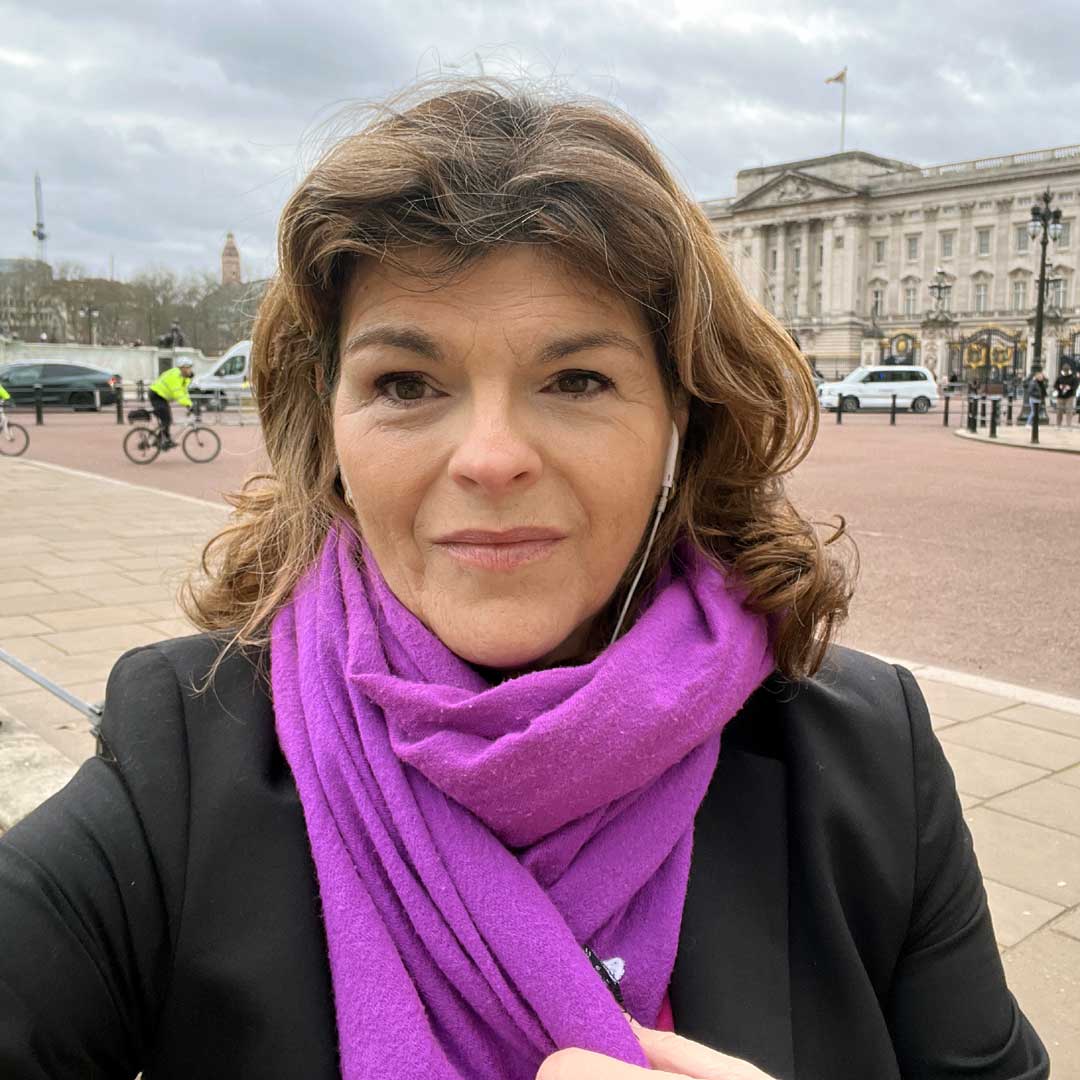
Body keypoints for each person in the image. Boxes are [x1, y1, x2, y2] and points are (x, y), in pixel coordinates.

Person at [0, 82, 1048, 1080]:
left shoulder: (869, 755)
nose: (492, 458)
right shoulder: (181, 750)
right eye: (406, 383)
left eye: (576, 380)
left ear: (679, 424)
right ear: (330, 432)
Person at [147, 359, 193, 449]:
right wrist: (188, 405)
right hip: (156, 395)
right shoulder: (175, 375)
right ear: (183, 368)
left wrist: (190, 404)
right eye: (188, 368)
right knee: (166, 419)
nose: (190, 370)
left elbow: (184, 392)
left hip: (162, 397)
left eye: (190, 368)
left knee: (167, 419)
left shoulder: (183, 378)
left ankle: (161, 440)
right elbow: (178, 394)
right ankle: (163, 441)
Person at [1053, 362, 1077, 428]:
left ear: (1069, 370)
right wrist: (1059, 387)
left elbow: (1075, 386)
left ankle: (1069, 425)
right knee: (1059, 411)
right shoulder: (1059, 377)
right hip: (1060, 396)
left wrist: (1070, 387)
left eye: (1067, 370)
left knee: (1069, 411)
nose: (1065, 372)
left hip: (1069, 396)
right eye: (1064, 370)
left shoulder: (1073, 377)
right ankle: (1058, 424)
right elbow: (1055, 385)